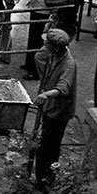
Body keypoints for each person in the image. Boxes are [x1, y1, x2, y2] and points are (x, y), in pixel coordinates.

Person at [33, 29, 77, 184]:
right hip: (50, 108)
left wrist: (46, 94)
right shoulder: (52, 54)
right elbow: (38, 56)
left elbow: (63, 88)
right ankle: (43, 177)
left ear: (56, 48)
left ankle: (45, 180)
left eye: (47, 43)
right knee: (45, 144)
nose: (44, 44)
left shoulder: (68, 64)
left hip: (59, 111)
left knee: (48, 146)